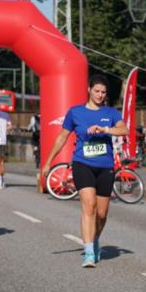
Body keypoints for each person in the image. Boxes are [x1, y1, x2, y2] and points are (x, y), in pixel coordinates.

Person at [41, 75, 127, 268]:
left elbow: (124, 130)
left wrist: (105, 129)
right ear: (89, 90)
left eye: (103, 92)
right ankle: (88, 251)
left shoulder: (110, 112)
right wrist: (48, 162)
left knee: (102, 213)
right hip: (82, 163)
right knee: (89, 206)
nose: (100, 95)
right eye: (97, 91)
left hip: (105, 166)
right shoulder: (75, 112)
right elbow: (62, 137)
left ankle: (95, 239)